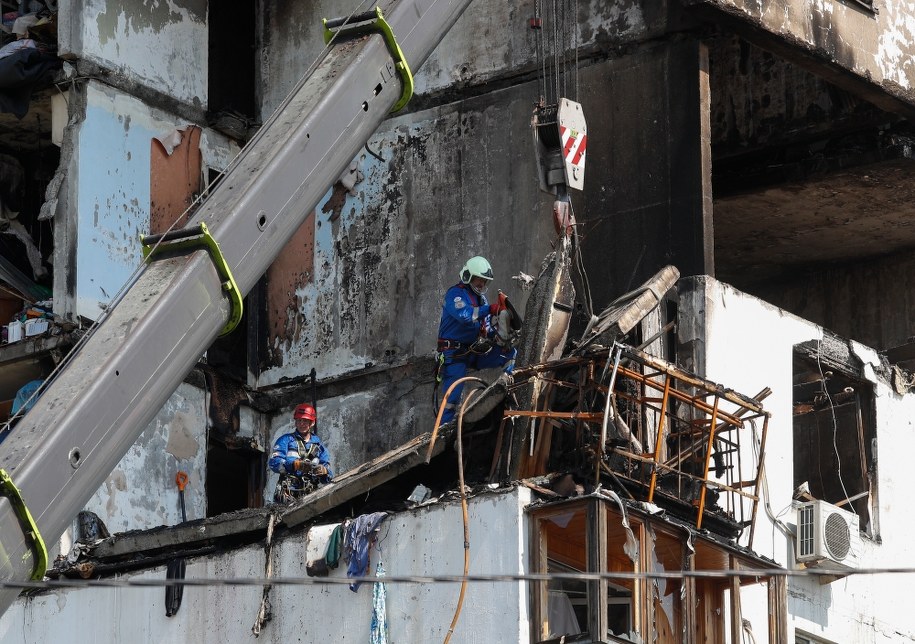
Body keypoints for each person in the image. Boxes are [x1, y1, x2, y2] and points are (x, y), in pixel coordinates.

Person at [435, 256, 517, 424]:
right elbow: (465, 315)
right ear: (468, 276)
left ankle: (505, 385)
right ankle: (442, 433)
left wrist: (500, 335)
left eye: (485, 281)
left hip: (473, 351)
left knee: (509, 353)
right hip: (454, 353)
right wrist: (490, 309)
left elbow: (485, 328)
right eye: (479, 280)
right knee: (452, 397)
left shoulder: (481, 300)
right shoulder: (455, 294)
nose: (482, 284)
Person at [269, 403, 334, 503]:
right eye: (299, 420)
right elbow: (274, 463)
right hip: (288, 494)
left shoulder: (319, 446)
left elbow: (328, 477)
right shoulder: (285, 440)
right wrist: (294, 465)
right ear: (295, 422)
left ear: (312, 423)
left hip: (311, 496)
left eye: (305, 421)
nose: (301, 424)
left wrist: (324, 471)